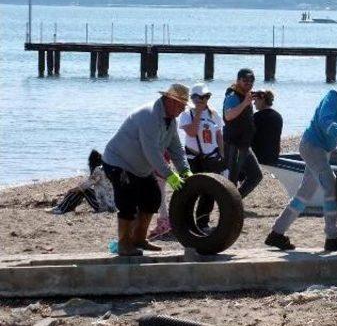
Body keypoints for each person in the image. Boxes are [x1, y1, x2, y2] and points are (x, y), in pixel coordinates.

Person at [265, 64, 337, 252]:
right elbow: (326, 122)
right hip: (311, 146)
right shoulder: (335, 96)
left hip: (325, 149)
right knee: (331, 186)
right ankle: (332, 237)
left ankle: (276, 233)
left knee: (305, 194)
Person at [102, 83, 192, 256]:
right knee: (127, 202)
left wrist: (185, 171)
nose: (182, 109)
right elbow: (151, 152)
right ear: (170, 101)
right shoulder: (149, 115)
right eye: (180, 105)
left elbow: (176, 149)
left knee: (152, 198)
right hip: (118, 162)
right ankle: (123, 244)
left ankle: (139, 239)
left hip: (140, 168)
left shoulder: (171, 121)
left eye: (183, 106)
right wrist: (169, 175)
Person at [179, 83, 226, 230]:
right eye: (199, 97)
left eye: (206, 97)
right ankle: (185, 222)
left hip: (211, 157)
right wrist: (198, 113)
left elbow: (218, 135)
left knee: (209, 192)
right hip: (194, 157)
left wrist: (222, 154)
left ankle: (202, 222)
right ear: (192, 98)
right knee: (192, 191)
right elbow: (191, 133)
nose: (203, 100)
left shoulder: (214, 114)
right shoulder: (187, 114)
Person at [223, 68, 263, 197]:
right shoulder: (232, 96)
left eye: (251, 81)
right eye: (245, 80)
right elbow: (228, 116)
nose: (248, 83)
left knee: (256, 175)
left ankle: (236, 201)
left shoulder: (247, 95)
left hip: (245, 144)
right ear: (238, 80)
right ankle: (231, 205)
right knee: (232, 179)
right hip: (233, 143)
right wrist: (245, 103)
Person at [47, 150, 116, 214]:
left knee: (82, 190)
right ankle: (62, 207)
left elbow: (85, 185)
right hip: (112, 205)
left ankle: (61, 209)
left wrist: (72, 190)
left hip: (104, 207)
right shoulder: (108, 169)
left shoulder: (99, 170)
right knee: (82, 190)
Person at [251, 89, 283, 165]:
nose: (254, 103)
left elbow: (250, 136)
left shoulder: (257, 117)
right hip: (273, 155)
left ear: (262, 100)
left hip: (258, 156)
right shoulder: (278, 116)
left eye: (255, 100)